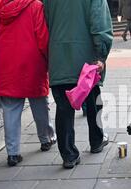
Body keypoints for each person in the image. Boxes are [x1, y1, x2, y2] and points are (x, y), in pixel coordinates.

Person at [43, 0, 113, 169]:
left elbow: (44, 22)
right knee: (93, 99)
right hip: (86, 59)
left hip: (58, 56)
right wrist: (101, 55)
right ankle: (96, 141)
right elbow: (100, 25)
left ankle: (68, 155)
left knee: (63, 107)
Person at [0, 0, 56, 167]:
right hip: (31, 62)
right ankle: (46, 139)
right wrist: (48, 60)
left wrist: (3, 50)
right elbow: (42, 36)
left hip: (5, 62)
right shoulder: (35, 6)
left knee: (10, 110)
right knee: (40, 103)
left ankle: (12, 153)